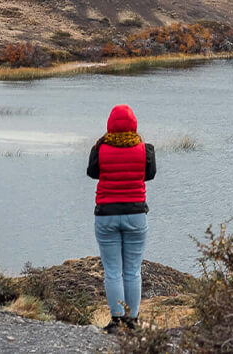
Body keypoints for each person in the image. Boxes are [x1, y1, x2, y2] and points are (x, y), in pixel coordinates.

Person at [87, 104, 156, 333]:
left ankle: (116, 321)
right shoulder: (145, 150)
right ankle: (132, 321)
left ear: (109, 124)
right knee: (133, 270)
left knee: (113, 271)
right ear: (134, 124)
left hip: (106, 215)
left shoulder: (100, 149)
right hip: (136, 215)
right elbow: (149, 175)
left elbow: (93, 173)